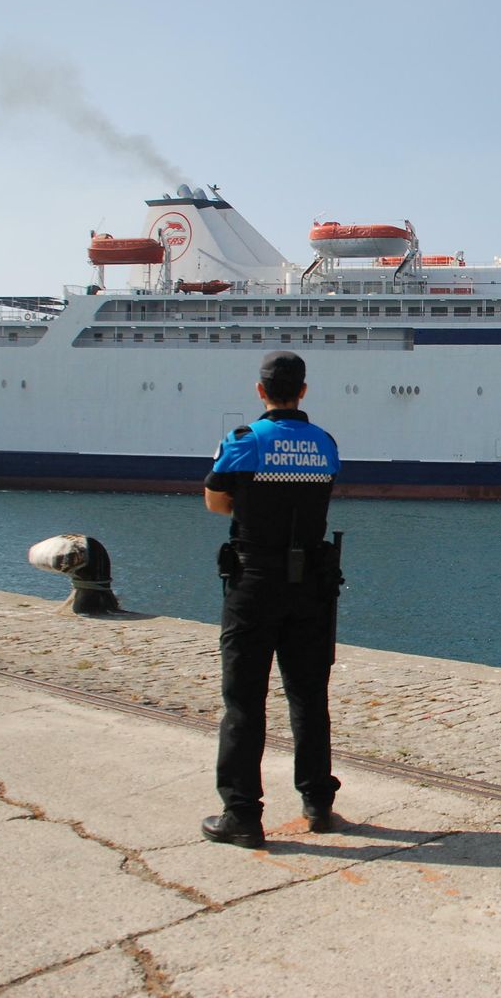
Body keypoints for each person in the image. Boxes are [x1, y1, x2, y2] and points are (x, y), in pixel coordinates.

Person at [201, 351, 343, 847]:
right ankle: (318, 801)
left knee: (244, 699)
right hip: (312, 585)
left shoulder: (243, 442)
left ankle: (241, 814)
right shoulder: (325, 445)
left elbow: (216, 501)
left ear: (260, 392)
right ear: (303, 391)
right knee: (308, 695)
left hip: (255, 581)